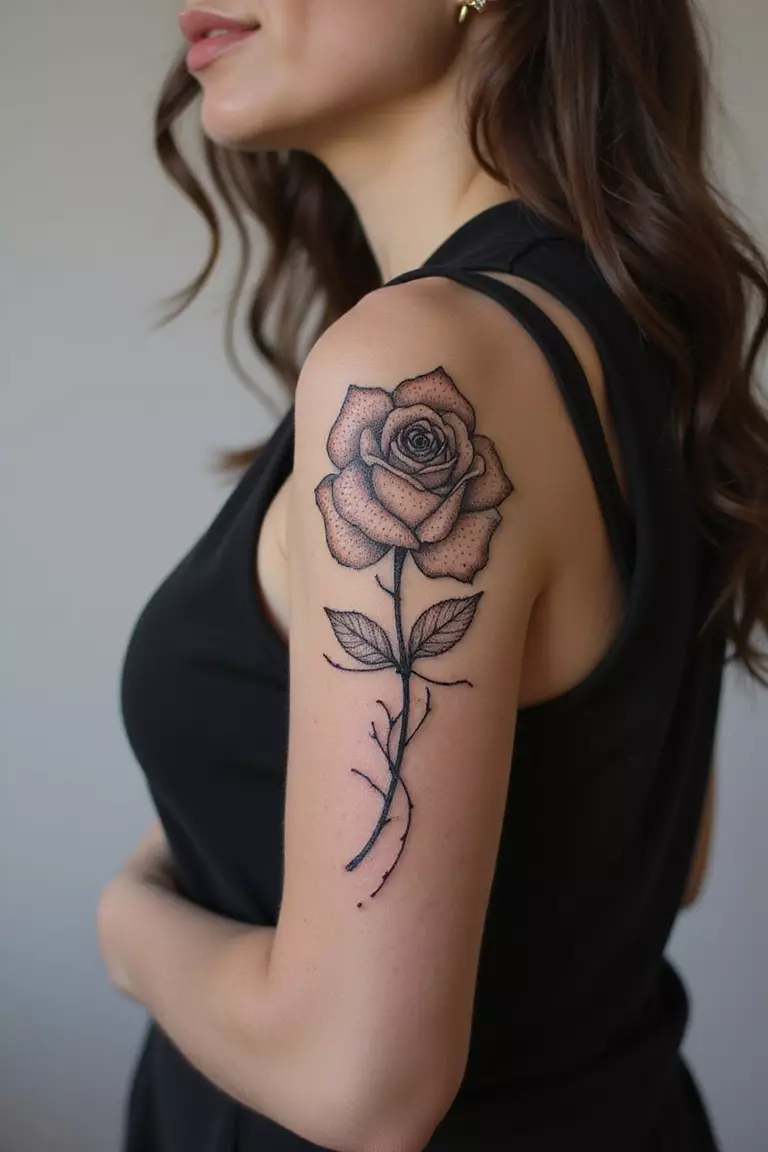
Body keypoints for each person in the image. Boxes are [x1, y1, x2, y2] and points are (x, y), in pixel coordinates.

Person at [96, 2, 768, 1150]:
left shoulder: (421, 359)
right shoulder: (640, 329)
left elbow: (358, 1083)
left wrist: (128, 926)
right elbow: (661, 858)